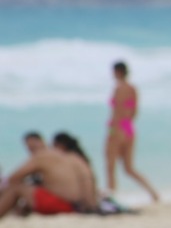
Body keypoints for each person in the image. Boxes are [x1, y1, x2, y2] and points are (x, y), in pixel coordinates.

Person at [0, 132, 97, 219]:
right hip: (78, 207)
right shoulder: (68, 156)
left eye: (32, 147)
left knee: (17, 188)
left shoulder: (41, 156)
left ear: (42, 142)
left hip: (62, 206)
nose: (31, 151)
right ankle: (19, 216)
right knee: (32, 190)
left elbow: (14, 177)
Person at [105, 61, 161, 202]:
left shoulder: (118, 88)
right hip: (129, 128)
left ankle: (112, 197)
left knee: (110, 166)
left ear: (118, 72)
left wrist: (113, 130)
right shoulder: (133, 89)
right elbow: (134, 112)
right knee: (129, 168)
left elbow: (117, 111)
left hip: (117, 128)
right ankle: (153, 192)